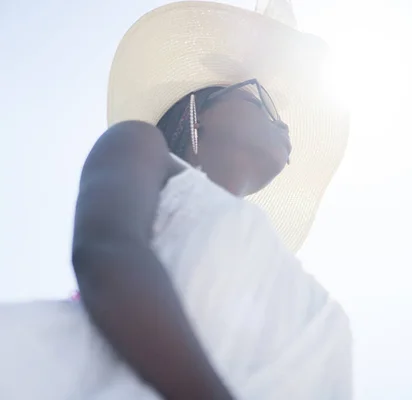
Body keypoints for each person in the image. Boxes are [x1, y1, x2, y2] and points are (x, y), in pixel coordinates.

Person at [0, 1, 351, 399]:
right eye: (263, 101)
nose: (283, 121)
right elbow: (108, 253)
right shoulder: (138, 144)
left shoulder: (284, 275)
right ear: (196, 113)